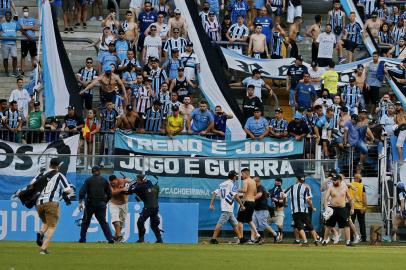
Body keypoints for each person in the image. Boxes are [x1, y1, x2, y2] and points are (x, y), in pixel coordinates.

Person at [33, 158, 73, 255]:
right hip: (51, 202)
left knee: (46, 221)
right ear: (58, 166)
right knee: (52, 226)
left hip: (38, 203)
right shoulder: (59, 175)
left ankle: (41, 233)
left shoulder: (41, 174)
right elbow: (68, 190)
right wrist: (68, 192)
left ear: (50, 164)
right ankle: (43, 249)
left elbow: (32, 185)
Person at [79, 166, 114, 244]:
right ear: (99, 171)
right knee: (103, 222)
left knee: (85, 222)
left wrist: (80, 201)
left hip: (90, 204)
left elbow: (82, 192)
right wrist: (105, 201)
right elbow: (110, 194)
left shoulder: (88, 180)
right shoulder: (104, 180)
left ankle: (82, 239)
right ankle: (110, 238)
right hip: (101, 204)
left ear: (92, 172)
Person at [209, 170, 244, 244]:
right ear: (234, 177)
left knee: (235, 224)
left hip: (227, 208)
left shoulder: (222, 184)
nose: (236, 178)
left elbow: (214, 193)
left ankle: (241, 239)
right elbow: (236, 196)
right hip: (227, 208)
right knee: (220, 223)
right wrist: (242, 205)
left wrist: (211, 204)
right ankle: (213, 239)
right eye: (236, 177)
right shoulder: (232, 184)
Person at [286, 175, 321, 246]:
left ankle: (305, 241)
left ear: (297, 179)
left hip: (295, 210)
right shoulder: (306, 187)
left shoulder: (292, 187)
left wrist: (284, 202)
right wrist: (312, 207)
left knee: (299, 227)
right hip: (304, 210)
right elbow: (309, 200)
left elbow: (283, 195)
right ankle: (316, 241)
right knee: (310, 226)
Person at [128, 175, 163, 243]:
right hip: (155, 207)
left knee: (140, 222)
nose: (137, 181)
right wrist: (136, 183)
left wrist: (131, 184)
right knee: (153, 225)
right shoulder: (149, 183)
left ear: (142, 180)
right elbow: (142, 185)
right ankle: (159, 240)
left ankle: (141, 240)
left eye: (138, 180)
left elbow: (129, 191)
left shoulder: (141, 186)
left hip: (148, 207)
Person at [322, 174, 354, 247]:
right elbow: (326, 198)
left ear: (339, 180)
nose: (334, 181)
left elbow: (349, 198)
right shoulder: (331, 188)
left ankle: (348, 241)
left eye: (335, 180)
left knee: (346, 225)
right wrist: (326, 208)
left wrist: (352, 208)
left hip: (342, 209)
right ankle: (325, 240)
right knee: (329, 225)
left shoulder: (345, 187)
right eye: (333, 180)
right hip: (332, 209)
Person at [236, 168, 261, 244]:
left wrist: (236, 189)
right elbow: (255, 192)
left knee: (240, 220)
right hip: (252, 202)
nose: (242, 176)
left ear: (246, 173)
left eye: (242, 174)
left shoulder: (246, 181)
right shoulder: (253, 181)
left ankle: (240, 238)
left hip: (246, 202)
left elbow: (244, 190)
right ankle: (257, 234)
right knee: (249, 220)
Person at [252, 177, 279, 243]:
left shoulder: (260, 187)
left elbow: (259, 195)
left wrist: (251, 198)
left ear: (258, 182)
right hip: (256, 209)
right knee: (253, 225)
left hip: (262, 209)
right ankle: (254, 239)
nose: (252, 183)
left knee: (263, 224)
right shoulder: (255, 188)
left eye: (254, 181)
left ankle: (275, 234)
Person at [108, 175, 131, 242]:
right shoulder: (109, 185)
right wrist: (121, 189)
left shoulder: (123, 181)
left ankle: (116, 237)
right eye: (111, 183)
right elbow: (111, 193)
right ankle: (119, 236)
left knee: (122, 222)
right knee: (115, 218)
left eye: (113, 183)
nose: (112, 184)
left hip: (124, 204)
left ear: (116, 179)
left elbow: (132, 182)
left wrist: (128, 182)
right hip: (113, 203)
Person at [0, 11, 22, 77]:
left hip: (13, 43)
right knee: (5, 58)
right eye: (6, 16)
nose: (8, 17)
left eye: (9, 15)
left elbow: (21, 29)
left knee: (15, 57)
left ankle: (14, 71)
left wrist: (28, 36)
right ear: (5, 17)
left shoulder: (14, 23)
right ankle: (6, 72)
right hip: (4, 43)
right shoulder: (2, 24)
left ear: (11, 16)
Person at [19, 6, 39, 74]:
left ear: (28, 11)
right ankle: (22, 71)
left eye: (26, 11)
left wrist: (28, 27)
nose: (26, 12)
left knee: (33, 55)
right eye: (24, 11)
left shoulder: (33, 19)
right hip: (24, 40)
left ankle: (35, 70)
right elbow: (22, 28)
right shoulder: (21, 19)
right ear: (22, 12)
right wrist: (31, 27)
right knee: (23, 56)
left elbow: (36, 28)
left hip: (32, 40)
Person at [350, 174, 367, 242]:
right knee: (362, 223)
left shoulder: (350, 185)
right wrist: (365, 207)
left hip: (352, 207)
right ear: (359, 179)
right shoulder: (362, 186)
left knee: (351, 223)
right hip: (360, 207)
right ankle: (363, 238)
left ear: (354, 178)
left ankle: (351, 238)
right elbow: (364, 196)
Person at [268, 178, 286, 242]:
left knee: (280, 226)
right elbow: (268, 197)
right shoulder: (271, 191)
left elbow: (285, 203)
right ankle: (264, 239)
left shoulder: (283, 192)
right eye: (276, 182)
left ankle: (280, 237)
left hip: (279, 211)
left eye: (279, 182)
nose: (277, 183)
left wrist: (278, 200)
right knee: (265, 225)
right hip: (271, 211)